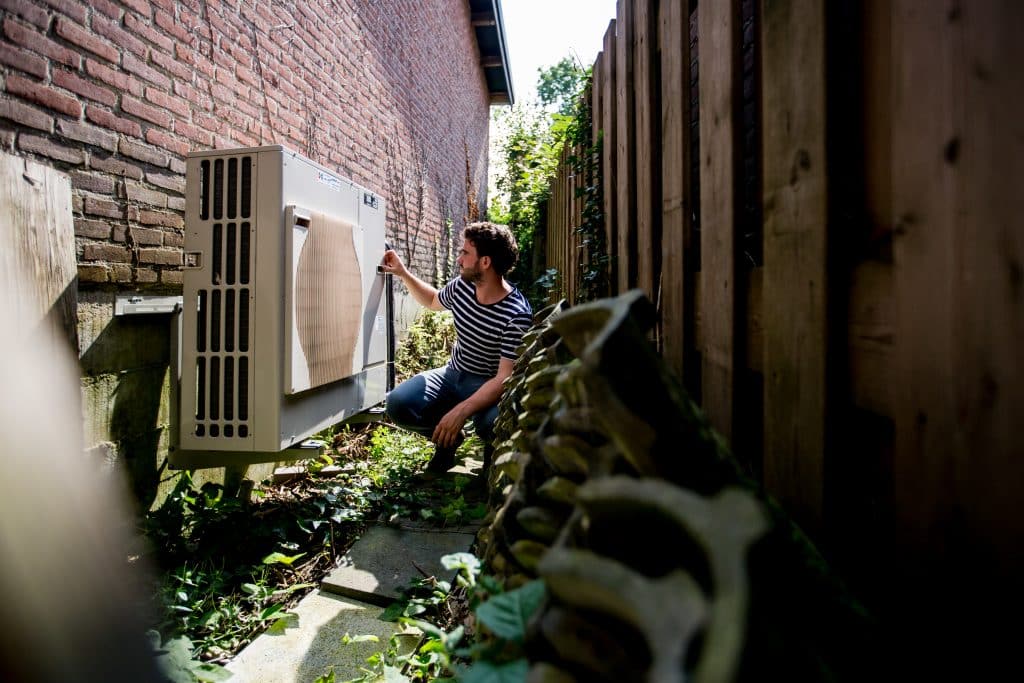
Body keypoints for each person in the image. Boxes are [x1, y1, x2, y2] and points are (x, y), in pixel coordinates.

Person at [380, 222, 532, 472]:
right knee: (398, 404)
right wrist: (403, 273)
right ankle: (448, 441)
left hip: (488, 384)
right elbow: (432, 300)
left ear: (485, 262)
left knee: (494, 422)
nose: (459, 259)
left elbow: (504, 377)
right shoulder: (462, 287)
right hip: (452, 375)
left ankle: (492, 461)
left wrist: (460, 411)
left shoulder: (516, 314)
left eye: (465, 253)